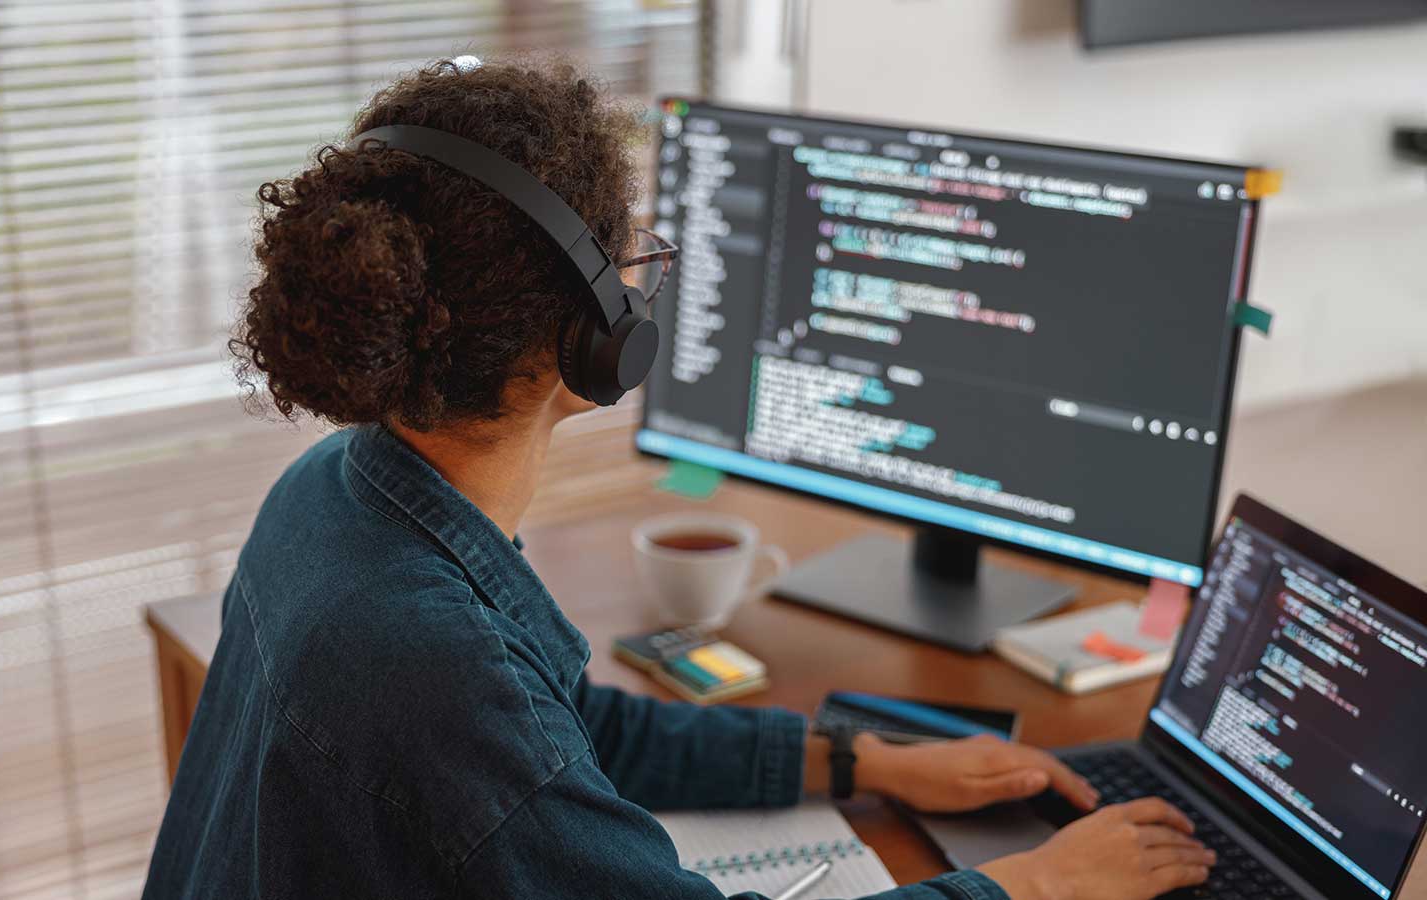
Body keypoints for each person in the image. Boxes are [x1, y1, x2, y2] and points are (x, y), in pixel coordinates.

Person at [142, 57, 1215, 900]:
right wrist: (1038, 882)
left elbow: (564, 736)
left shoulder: (338, 491)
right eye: (629, 264)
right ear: (593, 338)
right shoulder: (429, 653)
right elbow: (507, 735)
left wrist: (864, 762)